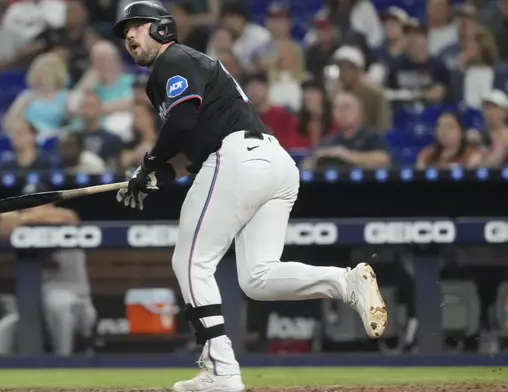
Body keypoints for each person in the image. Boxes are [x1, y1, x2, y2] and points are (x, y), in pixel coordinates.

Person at [111, 3, 388, 391]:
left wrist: (147, 163)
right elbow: (190, 143)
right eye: (125, 32)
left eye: (137, 27)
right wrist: (153, 174)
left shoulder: (174, 58)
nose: (129, 36)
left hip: (237, 159)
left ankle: (221, 371)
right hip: (270, 162)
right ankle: (345, 283)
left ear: (162, 29)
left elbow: (182, 122)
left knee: (191, 263)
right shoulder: (176, 69)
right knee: (258, 278)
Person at [0, 183, 97, 356]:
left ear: (50, 203)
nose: (31, 209)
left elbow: (68, 217)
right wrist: (5, 215)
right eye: (26, 205)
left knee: (58, 304)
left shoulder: (61, 221)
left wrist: (21, 219)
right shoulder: (20, 227)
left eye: (37, 203)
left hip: (76, 308)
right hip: (31, 312)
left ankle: (65, 365)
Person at [304, 91, 391, 170]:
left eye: (347, 107)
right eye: (337, 108)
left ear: (359, 112)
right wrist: (317, 157)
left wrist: (344, 154)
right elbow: (307, 165)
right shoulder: (328, 142)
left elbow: (383, 159)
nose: (342, 112)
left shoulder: (372, 137)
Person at [416, 111, 482, 169]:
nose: (444, 132)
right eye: (440, 126)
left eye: (449, 127)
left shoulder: (472, 156)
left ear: (461, 132)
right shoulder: (426, 155)